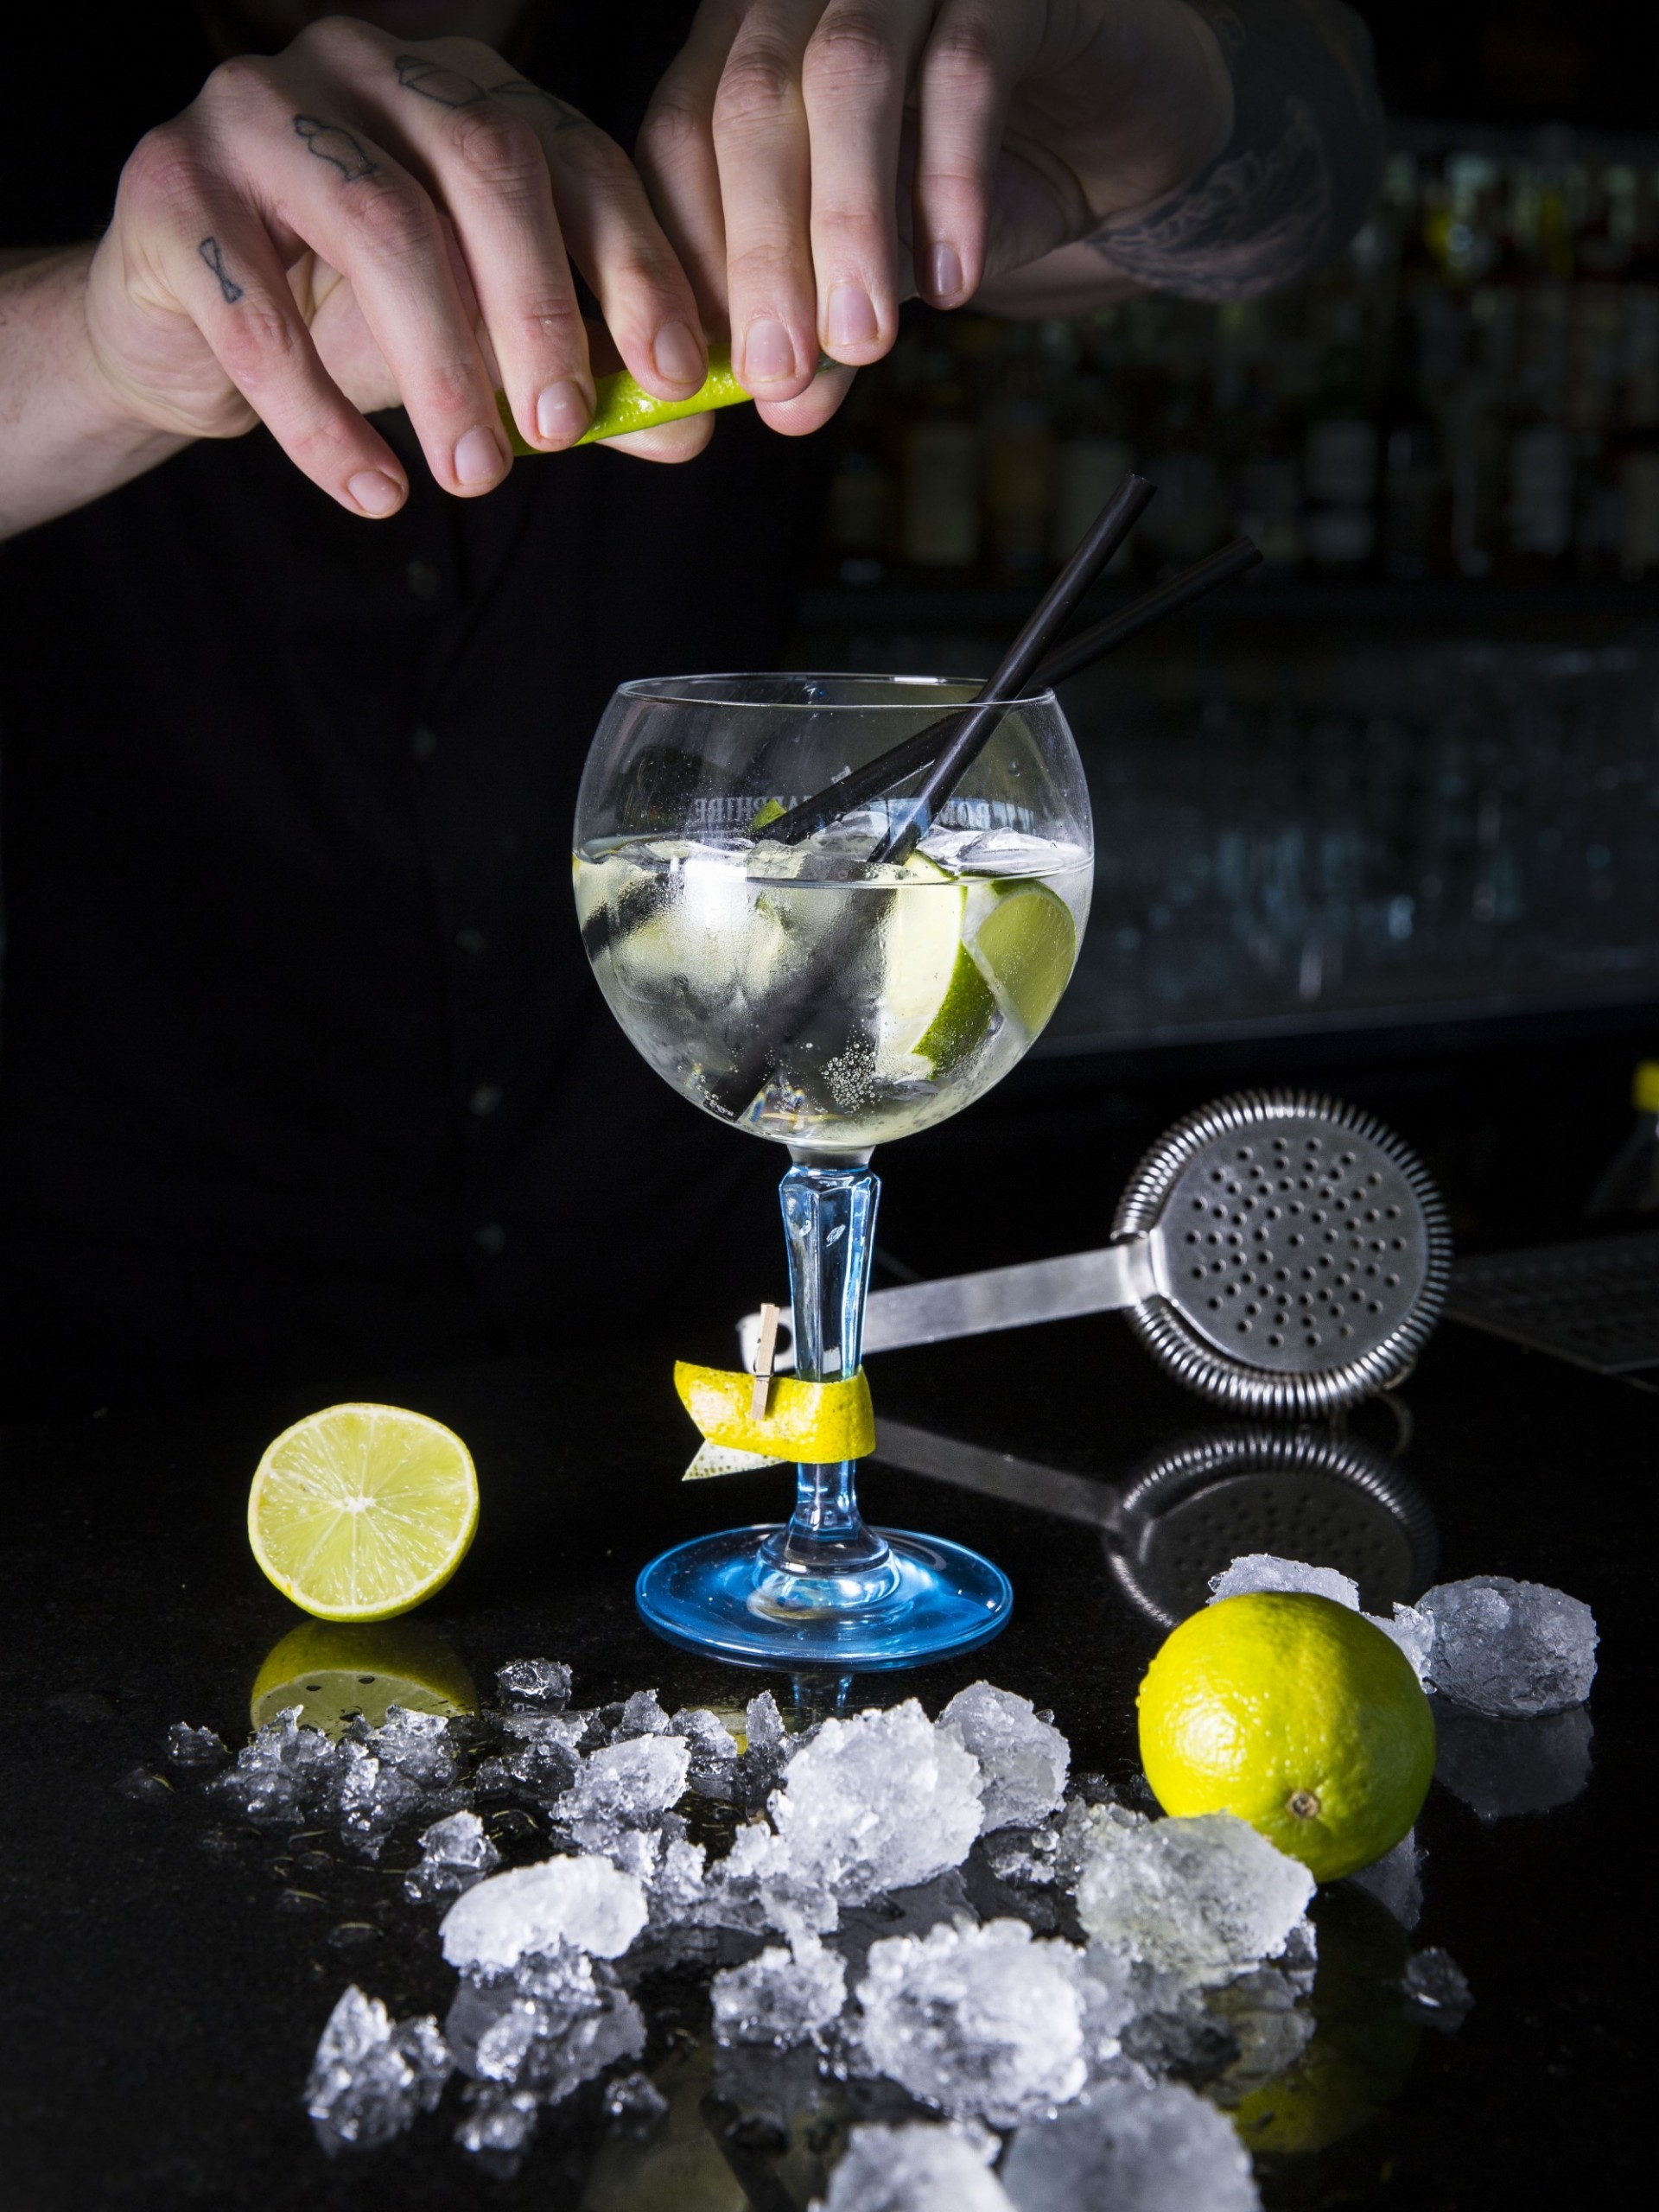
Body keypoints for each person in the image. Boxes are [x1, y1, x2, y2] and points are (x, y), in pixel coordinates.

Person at [0, 1, 1383, 1419]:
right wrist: (100, 346)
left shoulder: (755, 48)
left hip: (690, 1286)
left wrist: (1159, 96)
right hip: (124, 1334)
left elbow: (1306, 174)